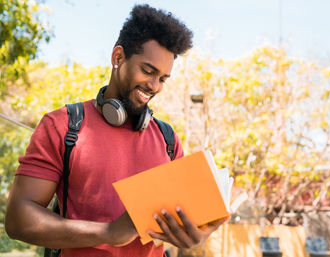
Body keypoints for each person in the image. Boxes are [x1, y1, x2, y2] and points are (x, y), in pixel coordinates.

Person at [5, 4, 228, 257]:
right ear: (118, 57)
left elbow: (183, 217)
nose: (154, 86)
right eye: (147, 70)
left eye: (163, 78)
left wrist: (194, 236)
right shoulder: (63, 126)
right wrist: (109, 232)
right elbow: (18, 219)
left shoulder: (168, 141)